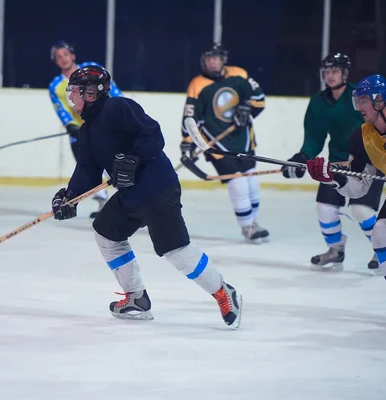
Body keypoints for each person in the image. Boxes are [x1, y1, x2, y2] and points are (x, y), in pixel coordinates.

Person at [50, 65, 242, 328]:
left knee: (175, 250)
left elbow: (153, 134)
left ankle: (223, 291)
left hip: (157, 188)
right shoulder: (87, 131)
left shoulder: (118, 108)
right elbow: (87, 172)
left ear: (91, 93)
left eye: (74, 91)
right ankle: (136, 298)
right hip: (131, 195)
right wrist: (70, 197)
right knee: (106, 232)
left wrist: (134, 158)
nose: (71, 97)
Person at [305, 74, 386, 328]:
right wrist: (333, 180)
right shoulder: (361, 137)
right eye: (357, 101)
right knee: (382, 233)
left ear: (380, 100)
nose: (358, 107)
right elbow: (360, 188)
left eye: (363, 101)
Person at [282, 53, 384, 273]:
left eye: (335, 71)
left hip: (367, 163)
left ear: (345, 73)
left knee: (361, 210)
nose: (330, 76)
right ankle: (335, 250)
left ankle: (382, 248)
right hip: (336, 164)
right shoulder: (318, 102)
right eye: (327, 72)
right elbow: (314, 137)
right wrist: (302, 158)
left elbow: (380, 125)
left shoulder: (361, 96)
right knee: (325, 209)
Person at [180, 43, 269, 244]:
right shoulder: (197, 84)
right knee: (237, 181)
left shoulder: (239, 74)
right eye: (208, 59)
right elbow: (190, 117)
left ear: (223, 59)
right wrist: (188, 142)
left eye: (216, 58)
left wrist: (246, 109)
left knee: (250, 179)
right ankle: (247, 227)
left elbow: (259, 99)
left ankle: (254, 222)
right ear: (203, 62)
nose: (212, 62)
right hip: (215, 144)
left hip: (244, 138)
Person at [48, 40, 123, 218]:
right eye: (59, 57)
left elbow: (113, 90)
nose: (63, 59)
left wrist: (119, 111)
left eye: (65, 54)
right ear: (56, 62)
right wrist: (71, 126)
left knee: (116, 163)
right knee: (87, 168)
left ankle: (126, 200)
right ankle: (103, 203)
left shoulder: (92, 68)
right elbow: (61, 109)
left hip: (105, 126)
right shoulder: (56, 85)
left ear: (73, 55)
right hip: (83, 131)